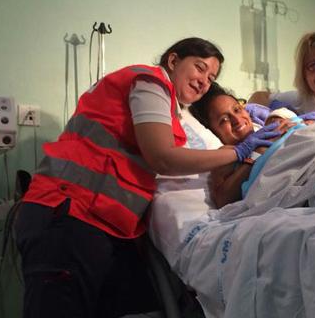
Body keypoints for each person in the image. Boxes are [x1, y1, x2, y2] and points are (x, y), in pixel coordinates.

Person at [14, 37, 280, 318]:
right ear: (173, 61)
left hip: (108, 226)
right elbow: (162, 157)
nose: (204, 81)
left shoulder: (173, 116)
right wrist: (238, 152)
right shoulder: (150, 81)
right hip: (68, 215)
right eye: (199, 68)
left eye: (211, 77)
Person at [190, 82, 304, 207]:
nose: (237, 120)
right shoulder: (226, 154)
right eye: (224, 120)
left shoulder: (268, 124)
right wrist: (257, 153)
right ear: (212, 130)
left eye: (237, 110)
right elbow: (222, 199)